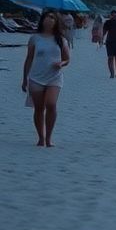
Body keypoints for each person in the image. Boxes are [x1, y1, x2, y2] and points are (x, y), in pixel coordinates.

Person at [21, 9, 70, 148]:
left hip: (54, 77)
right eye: (47, 17)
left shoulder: (61, 39)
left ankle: (49, 138)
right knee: (39, 108)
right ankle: (41, 138)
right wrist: (25, 78)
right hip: (36, 77)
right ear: (42, 20)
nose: (49, 20)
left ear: (56, 22)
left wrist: (61, 63)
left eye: (52, 18)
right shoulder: (35, 38)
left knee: (51, 104)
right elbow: (29, 58)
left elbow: (67, 59)